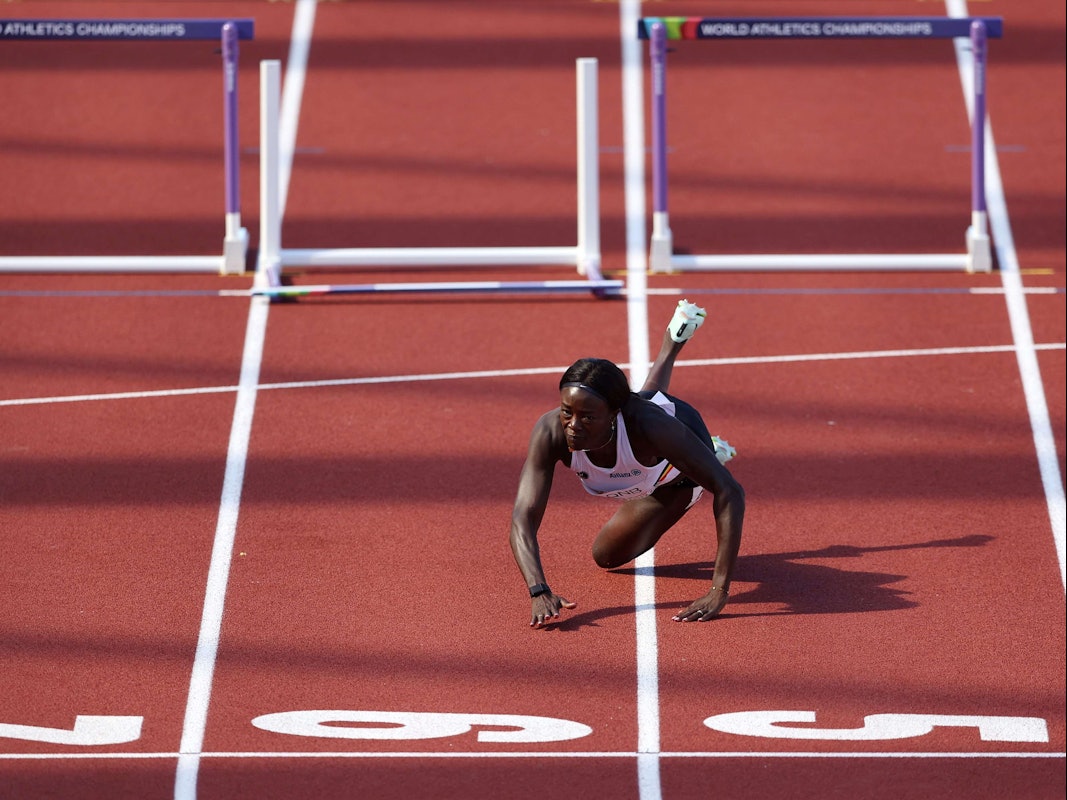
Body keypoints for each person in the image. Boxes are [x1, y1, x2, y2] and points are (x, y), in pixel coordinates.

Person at [509, 300, 746, 628]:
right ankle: (673, 343)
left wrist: (719, 589)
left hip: (672, 474)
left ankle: (705, 456)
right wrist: (538, 590)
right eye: (567, 411)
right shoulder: (551, 432)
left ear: (614, 414)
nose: (573, 426)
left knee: (662, 423)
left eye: (587, 417)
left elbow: (730, 491)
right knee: (606, 557)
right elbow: (523, 516)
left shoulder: (651, 427)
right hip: (639, 445)